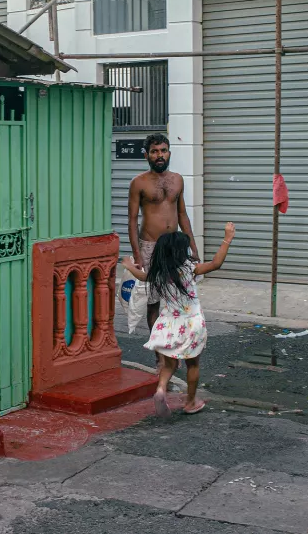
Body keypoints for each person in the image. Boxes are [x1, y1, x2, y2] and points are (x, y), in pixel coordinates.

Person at [121, 222, 235, 417]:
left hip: (167, 324)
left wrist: (129, 266)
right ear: (181, 252)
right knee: (193, 365)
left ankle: (160, 390)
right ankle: (190, 402)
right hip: (191, 324)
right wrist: (227, 239)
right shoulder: (190, 269)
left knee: (169, 365)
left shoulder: (159, 273)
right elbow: (216, 263)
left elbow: (142, 275)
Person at [127, 133, 200, 336]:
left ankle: (174, 343)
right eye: (154, 151)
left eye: (163, 151)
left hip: (174, 248)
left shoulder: (178, 179)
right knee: (153, 301)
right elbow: (132, 221)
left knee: (178, 298)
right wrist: (138, 255)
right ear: (147, 155)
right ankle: (159, 354)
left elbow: (182, 214)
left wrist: (193, 248)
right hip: (150, 245)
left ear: (169, 153)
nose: (160, 155)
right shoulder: (138, 183)